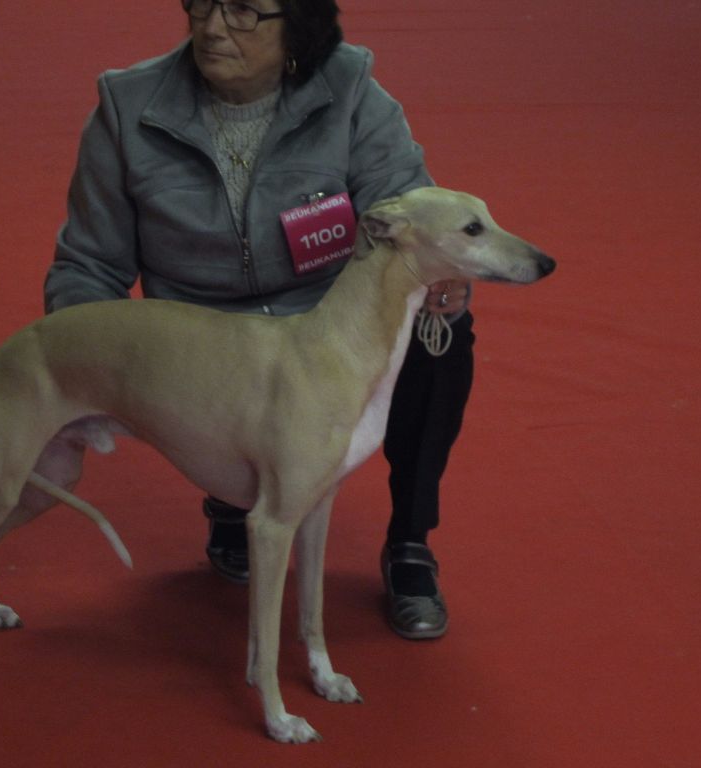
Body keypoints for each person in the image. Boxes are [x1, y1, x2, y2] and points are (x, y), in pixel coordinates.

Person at [44, 0, 474, 640]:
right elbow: (87, 265)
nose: (213, 27)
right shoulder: (126, 106)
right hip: (206, 334)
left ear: (296, 28)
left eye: (244, 11)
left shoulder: (350, 88)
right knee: (217, 367)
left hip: (323, 325)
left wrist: (442, 274)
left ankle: (410, 541)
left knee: (442, 341)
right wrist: (87, 358)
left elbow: (410, 205)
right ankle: (230, 498)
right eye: (203, 4)